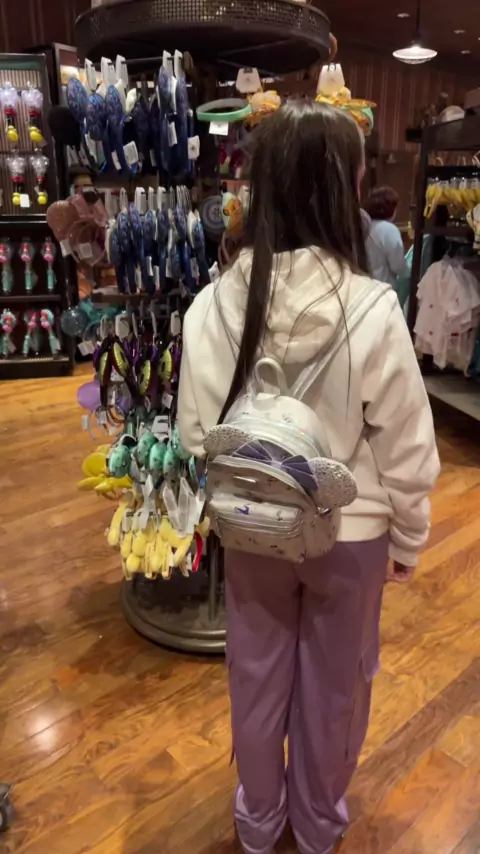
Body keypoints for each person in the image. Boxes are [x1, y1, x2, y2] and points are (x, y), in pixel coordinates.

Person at [178, 102, 439, 854]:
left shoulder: (212, 306)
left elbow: (196, 435)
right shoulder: (372, 308)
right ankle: (318, 826)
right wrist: (410, 538)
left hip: (251, 527)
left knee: (255, 676)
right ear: (342, 189)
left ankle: (259, 822)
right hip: (349, 532)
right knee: (336, 688)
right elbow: (407, 447)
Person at [363, 186, 407, 286]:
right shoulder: (389, 230)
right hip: (382, 286)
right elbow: (398, 266)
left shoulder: (362, 225)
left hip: (362, 285)